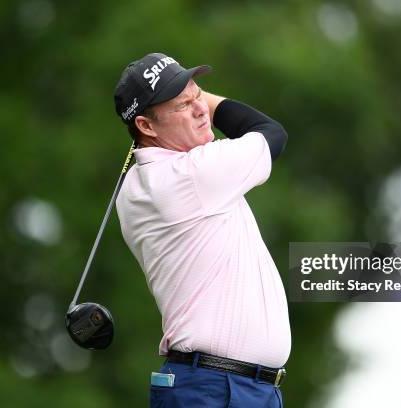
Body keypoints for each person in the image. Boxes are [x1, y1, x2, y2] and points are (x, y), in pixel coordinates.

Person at [113, 52, 291, 407]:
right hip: (217, 388)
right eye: (183, 104)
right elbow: (273, 134)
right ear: (147, 127)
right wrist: (202, 97)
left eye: (199, 96)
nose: (201, 109)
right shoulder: (193, 175)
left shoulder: (138, 185)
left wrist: (181, 97)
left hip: (227, 385)